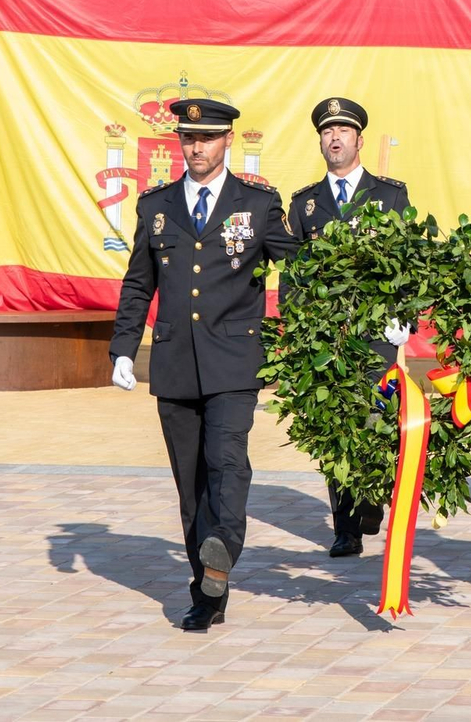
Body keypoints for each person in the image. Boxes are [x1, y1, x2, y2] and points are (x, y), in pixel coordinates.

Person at [109, 97, 298, 630]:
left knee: (227, 461)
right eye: (189, 139)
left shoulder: (257, 205)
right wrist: (123, 347)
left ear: (227, 141)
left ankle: (223, 549)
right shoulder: (157, 206)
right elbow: (138, 283)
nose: (197, 148)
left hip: (235, 361)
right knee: (190, 485)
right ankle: (207, 591)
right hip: (173, 361)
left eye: (208, 138)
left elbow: (300, 268)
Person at [286, 96, 410, 558]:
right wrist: (299, 331)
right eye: (326, 131)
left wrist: (405, 316)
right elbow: (293, 274)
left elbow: (405, 262)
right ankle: (346, 527)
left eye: (343, 131)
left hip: (378, 333)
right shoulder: (306, 205)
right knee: (335, 426)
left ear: (359, 139)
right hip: (327, 338)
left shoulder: (389, 195)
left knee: (376, 420)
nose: (334, 138)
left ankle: (372, 495)